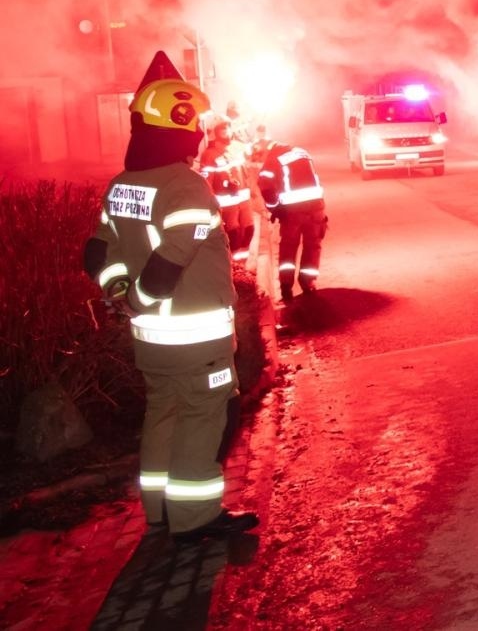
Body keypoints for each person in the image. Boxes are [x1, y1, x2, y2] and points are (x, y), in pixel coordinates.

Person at [82, 52, 259, 543]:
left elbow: (98, 251)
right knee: (206, 417)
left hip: (151, 341)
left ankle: (158, 512)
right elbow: (172, 257)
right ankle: (194, 518)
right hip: (195, 338)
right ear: (181, 128)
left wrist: (120, 294)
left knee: (162, 414)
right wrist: (141, 297)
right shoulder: (187, 187)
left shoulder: (122, 186)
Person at [257, 139, 328, 301]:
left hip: (293, 212)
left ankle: (286, 287)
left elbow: (266, 187)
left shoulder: (273, 158)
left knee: (289, 248)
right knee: (313, 246)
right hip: (316, 208)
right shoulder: (302, 152)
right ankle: (308, 282)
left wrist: (274, 208)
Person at [199, 120, 254, 265]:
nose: (227, 132)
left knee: (249, 230)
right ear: (215, 133)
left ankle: (243, 264)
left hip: (244, 200)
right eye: (222, 130)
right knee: (233, 234)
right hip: (227, 203)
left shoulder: (236, 149)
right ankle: (234, 266)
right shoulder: (209, 155)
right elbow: (206, 182)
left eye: (228, 129)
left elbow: (246, 171)